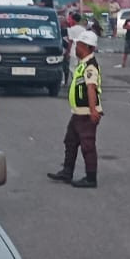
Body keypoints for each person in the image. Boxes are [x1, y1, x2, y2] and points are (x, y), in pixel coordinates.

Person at [47, 30, 104, 189]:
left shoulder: (90, 66)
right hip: (78, 112)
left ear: (87, 47)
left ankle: (91, 178)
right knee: (71, 141)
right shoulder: (84, 63)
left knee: (87, 145)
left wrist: (93, 110)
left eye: (78, 45)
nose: (76, 48)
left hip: (86, 113)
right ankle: (67, 171)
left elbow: (91, 88)